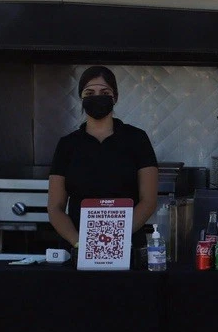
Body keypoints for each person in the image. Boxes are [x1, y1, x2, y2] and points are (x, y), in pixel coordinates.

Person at [47, 65, 158, 255]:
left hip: (127, 249)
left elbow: (148, 201)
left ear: (115, 97)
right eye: (89, 93)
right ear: (81, 98)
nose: (97, 97)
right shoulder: (67, 145)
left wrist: (116, 238)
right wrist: (80, 243)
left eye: (104, 92)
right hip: (77, 252)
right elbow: (55, 208)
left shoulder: (137, 139)